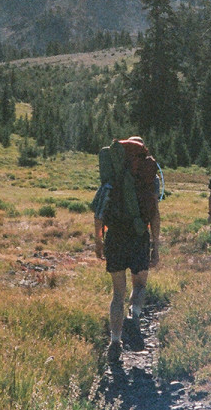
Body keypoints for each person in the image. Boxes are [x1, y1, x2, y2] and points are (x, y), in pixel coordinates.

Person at [94, 136, 160, 363]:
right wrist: (155, 245)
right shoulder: (148, 178)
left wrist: (98, 241)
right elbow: (155, 214)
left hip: (115, 238)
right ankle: (135, 316)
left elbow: (99, 213)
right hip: (139, 236)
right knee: (139, 284)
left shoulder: (111, 178)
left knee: (117, 294)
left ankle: (115, 342)